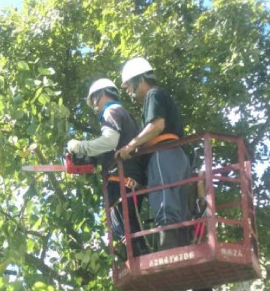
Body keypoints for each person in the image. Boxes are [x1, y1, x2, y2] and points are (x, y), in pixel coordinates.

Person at [115, 57, 191, 250]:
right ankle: (182, 250)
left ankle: (169, 252)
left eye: (130, 87)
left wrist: (131, 146)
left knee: (165, 204)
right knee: (180, 208)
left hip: (163, 154)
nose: (130, 93)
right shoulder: (162, 96)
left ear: (140, 80)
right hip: (178, 157)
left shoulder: (153, 95)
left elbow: (157, 126)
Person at [67, 78, 148, 257]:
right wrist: (90, 160)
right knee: (124, 228)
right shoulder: (122, 114)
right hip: (123, 178)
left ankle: (141, 260)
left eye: (95, 98)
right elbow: (113, 148)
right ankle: (137, 258)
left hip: (125, 179)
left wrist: (80, 146)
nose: (94, 103)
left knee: (128, 228)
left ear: (102, 93)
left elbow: (108, 141)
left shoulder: (111, 111)